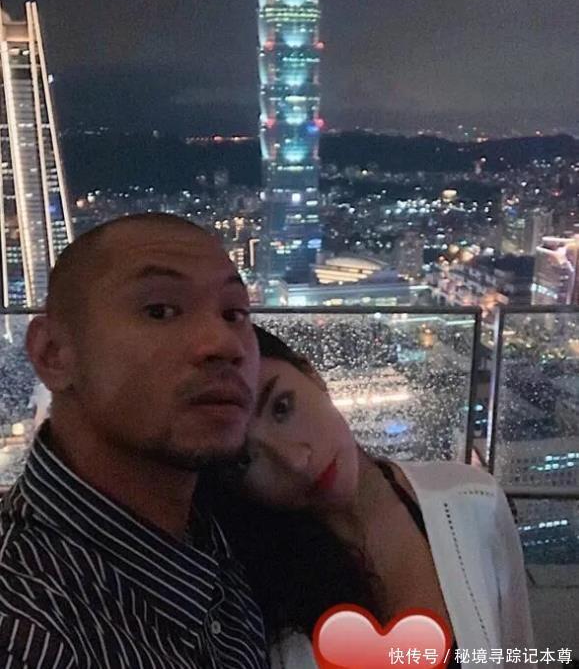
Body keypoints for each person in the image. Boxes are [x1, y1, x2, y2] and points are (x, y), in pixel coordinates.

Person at [0, 214, 268, 668]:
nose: (225, 344)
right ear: (53, 354)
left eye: (234, 314)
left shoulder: (219, 535)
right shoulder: (25, 630)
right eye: (160, 310)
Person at [212, 325, 534, 669]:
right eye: (245, 460)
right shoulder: (243, 593)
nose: (295, 461)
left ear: (312, 374)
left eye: (282, 408)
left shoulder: (473, 503)